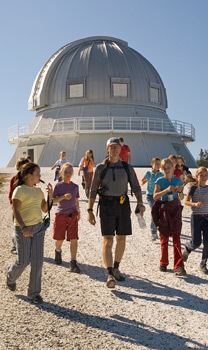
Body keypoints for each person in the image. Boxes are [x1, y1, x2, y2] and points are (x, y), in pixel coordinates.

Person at [87, 137, 145, 288]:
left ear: (121, 149)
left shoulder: (127, 167)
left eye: (117, 147)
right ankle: (109, 274)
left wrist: (140, 203)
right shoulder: (100, 168)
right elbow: (93, 190)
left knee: (121, 238)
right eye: (111, 147)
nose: (114, 149)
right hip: (106, 205)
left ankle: (116, 267)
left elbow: (136, 187)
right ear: (107, 149)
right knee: (108, 239)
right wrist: (89, 210)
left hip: (122, 204)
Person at [6, 163, 53, 304]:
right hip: (23, 229)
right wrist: (23, 227)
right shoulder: (19, 190)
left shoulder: (38, 191)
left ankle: (33, 294)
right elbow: (16, 210)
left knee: (37, 262)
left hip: (38, 228)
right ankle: (10, 277)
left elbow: (45, 209)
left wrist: (50, 196)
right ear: (28, 175)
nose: (40, 176)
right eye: (37, 173)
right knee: (23, 261)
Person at [153, 158, 186, 276]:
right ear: (162, 169)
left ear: (173, 168)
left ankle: (179, 266)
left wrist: (180, 191)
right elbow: (155, 197)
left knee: (177, 237)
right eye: (165, 168)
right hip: (164, 209)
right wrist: (166, 190)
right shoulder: (159, 180)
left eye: (169, 167)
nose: (167, 170)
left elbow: (181, 198)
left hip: (176, 209)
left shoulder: (178, 180)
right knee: (164, 238)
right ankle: (163, 262)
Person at [52, 163, 80, 273]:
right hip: (61, 215)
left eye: (70, 172)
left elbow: (76, 200)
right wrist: (63, 197)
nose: (68, 174)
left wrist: (78, 211)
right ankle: (58, 250)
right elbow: (53, 201)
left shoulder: (75, 187)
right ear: (62, 173)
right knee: (60, 239)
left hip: (72, 215)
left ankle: (73, 262)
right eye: (66, 172)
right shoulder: (58, 186)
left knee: (74, 238)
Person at [182, 167, 208, 274]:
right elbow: (186, 202)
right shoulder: (193, 188)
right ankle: (188, 248)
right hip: (196, 217)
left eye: (205, 175)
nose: (203, 177)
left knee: (207, 243)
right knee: (196, 242)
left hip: (207, 218)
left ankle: (203, 264)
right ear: (197, 177)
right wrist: (195, 204)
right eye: (201, 175)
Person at [8, 157, 30, 253]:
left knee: (26, 226)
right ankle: (15, 245)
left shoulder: (29, 178)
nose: (24, 169)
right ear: (18, 167)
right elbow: (10, 194)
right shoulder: (14, 179)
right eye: (22, 166)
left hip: (27, 208)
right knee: (16, 227)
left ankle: (25, 246)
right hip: (16, 208)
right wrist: (13, 205)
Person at [141, 157, 163, 241]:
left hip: (158, 196)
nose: (158, 166)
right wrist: (144, 182)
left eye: (159, 164)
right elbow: (143, 180)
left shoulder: (161, 174)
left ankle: (161, 230)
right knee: (154, 211)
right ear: (152, 164)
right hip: (150, 196)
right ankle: (153, 232)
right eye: (156, 164)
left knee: (160, 213)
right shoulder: (148, 173)